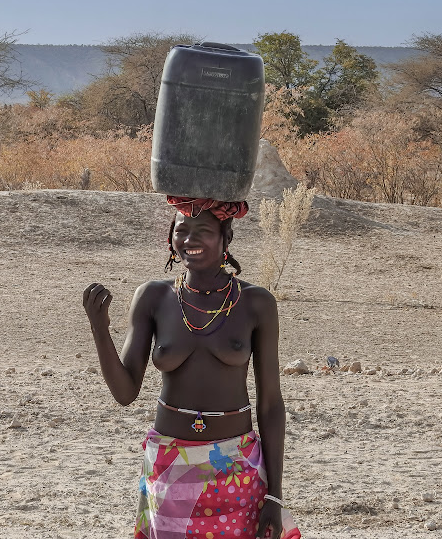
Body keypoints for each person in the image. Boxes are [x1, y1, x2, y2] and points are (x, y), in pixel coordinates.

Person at [83, 196, 299, 539]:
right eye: (181, 230)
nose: (189, 240)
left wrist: (275, 495)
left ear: (225, 238)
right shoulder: (153, 298)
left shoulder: (256, 303)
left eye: (203, 231)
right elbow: (125, 392)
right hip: (169, 467)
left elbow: (271, 403)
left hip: (236, 467)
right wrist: (99, 328)